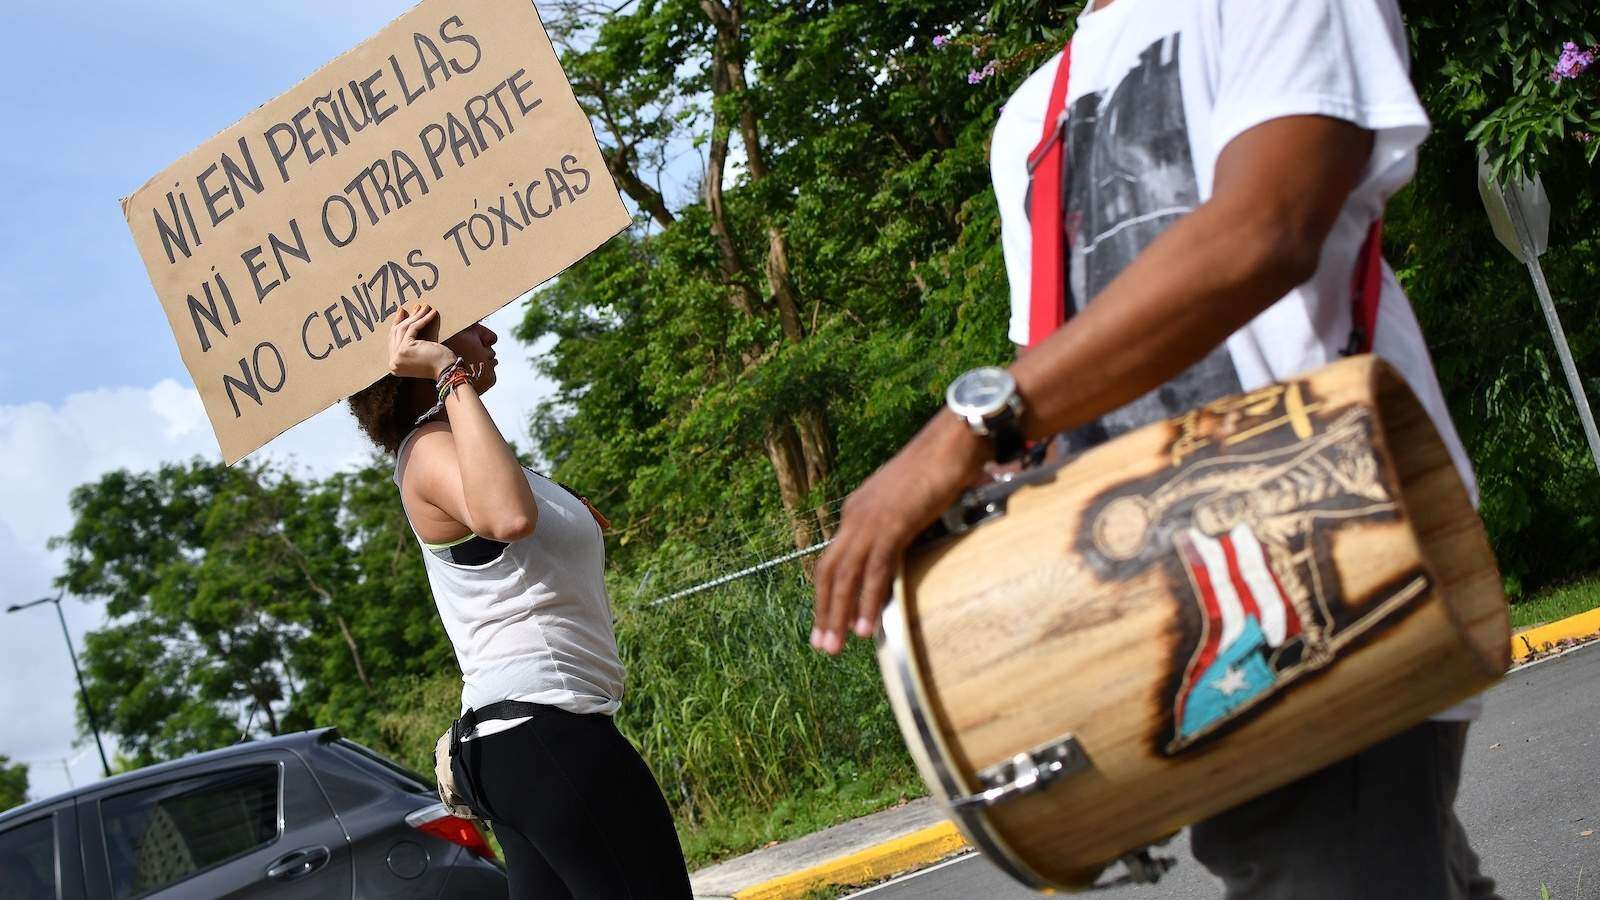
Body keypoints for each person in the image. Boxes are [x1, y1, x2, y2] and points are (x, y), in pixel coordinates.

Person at [810, 0, 1499, 897]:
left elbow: (1269, 226)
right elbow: (1065, 386)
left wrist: (963, 429)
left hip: (1328, 554)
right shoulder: (1033, 116)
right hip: (1177, 612)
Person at [348, 303, 692, 899]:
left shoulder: (457, 446)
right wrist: (447, 368)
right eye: (469, 324)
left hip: (527, 743)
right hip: (546, 734)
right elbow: (508, 516)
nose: (489, 333)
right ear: (415, 349)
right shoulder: (427, 450)